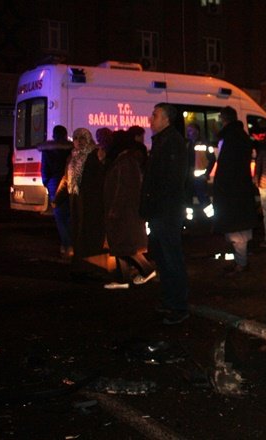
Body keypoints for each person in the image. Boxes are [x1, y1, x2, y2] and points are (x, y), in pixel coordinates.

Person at [141, 103, 191, 325]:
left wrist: (156, 204)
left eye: (155, 115)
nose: (151, 119)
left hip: (166, 212)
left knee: (171, 258)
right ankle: (170, 300)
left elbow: (170, 180)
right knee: (163, 258)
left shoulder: (172, 143)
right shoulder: (162, 141)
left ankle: (178, 306)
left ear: (166, 119)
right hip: (160, 211)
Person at [103, 130, 155, 289]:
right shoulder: (126, 160)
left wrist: (114, 209)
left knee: (127, 247)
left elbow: (123, 188)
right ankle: (123, 279)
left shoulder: (125, 162)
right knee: (120, 247)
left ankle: (147, 270)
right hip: (125, 211)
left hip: (124, 212)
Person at [212, 107, 259, 274]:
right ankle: (240, 261)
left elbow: (226, 166)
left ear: (223, 119)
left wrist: (219, 185)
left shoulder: (230, 138)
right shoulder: (241, 136)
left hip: (232, 190)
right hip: (240, 189)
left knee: (237, 231)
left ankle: (241, 263)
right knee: (238, 229)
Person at [66, 128, 106, 280]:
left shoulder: (94, 155)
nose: (78, 141)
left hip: (91, 201)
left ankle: (89, 266)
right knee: (77, 231)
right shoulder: (73, 156)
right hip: (76, 200)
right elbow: (67, 178)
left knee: (88, 232)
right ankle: (79, 265)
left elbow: (99, 178)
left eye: (82, 138)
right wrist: (58, 197)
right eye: (76, 138)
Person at [38, 125, 73, 259]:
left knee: (59, 217)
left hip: (54, 183)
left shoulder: (48, 150)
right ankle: (70, 244)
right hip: (69, 183)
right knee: (69, 215)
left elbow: (45, 170)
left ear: (54, 135)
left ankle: (66, 244)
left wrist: (47, 183)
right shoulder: (71, 149)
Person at [186, 123, 215, 219]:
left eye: (191, 130)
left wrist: (206, 173)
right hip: (189, 177)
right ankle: (189, 221)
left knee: (203, 199)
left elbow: (212, 159)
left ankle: (212, 219)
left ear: (197, 131)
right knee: (188, 200)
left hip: (200, 177)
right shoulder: (188, 144)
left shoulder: (205, 144)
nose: (188, 133)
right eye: (188, 130)